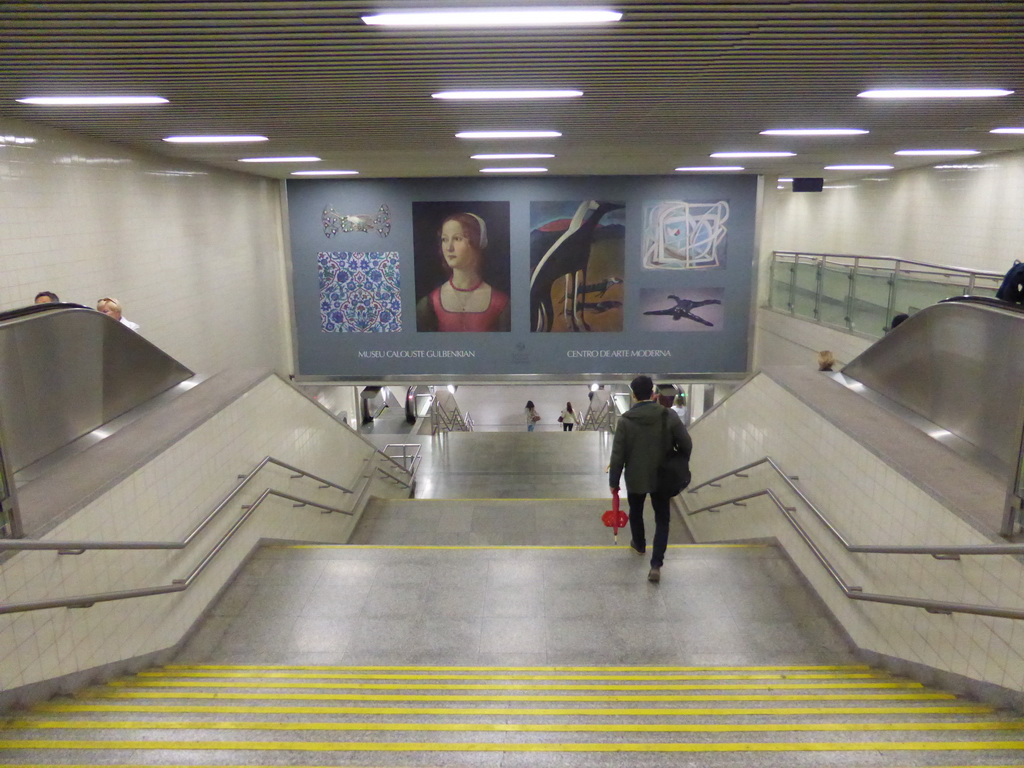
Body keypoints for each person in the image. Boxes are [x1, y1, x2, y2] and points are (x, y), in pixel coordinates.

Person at [609, 374, 691, 583]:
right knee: (662, 519)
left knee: (636, 511)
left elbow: (618, 455)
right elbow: (686, 444)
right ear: (653, 394)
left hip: (635, 476)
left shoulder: (626, 421)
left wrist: (614, 482)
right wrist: (678, 460)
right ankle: (656, 565)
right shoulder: (667, 416)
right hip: (662, 476)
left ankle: (639, 544)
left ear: (634, 395)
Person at [416, 212, 510, 332]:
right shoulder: (430, 304)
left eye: (457, 239)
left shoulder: (500, 303)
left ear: (476, 242)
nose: (449, 247)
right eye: (444, 239)